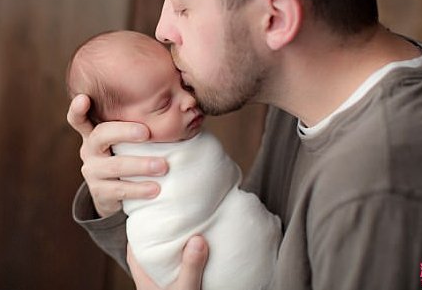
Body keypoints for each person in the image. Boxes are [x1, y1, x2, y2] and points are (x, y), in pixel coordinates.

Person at [68, 0, 422, 289]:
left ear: (275, 18)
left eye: (181, 5)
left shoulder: (390, 192)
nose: (163, 31)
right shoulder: (308, 94)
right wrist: (124, 201)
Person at [67, 30, 281, 290]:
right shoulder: (129, 165)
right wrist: (107, 211)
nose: (189, 100)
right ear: (117, 126)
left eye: (183, 84)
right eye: (163, 104)